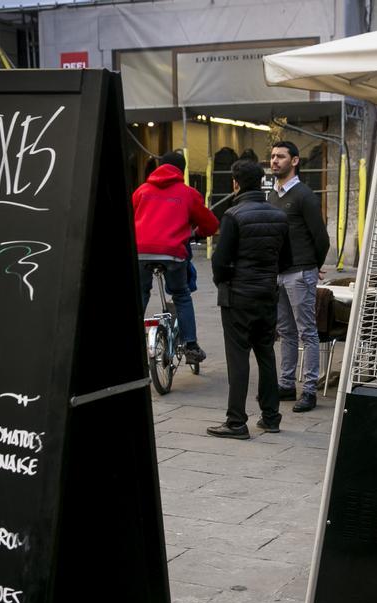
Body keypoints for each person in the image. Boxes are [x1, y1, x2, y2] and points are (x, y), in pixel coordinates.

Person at [206, 159, 292, 440]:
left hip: (238, 297)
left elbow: (220, 262)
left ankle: (236, 421)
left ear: (235, 183)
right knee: (266, 354)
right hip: (267, 295)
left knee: (238, 357)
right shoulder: (279, 216)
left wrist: (225, 280)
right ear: (261, 182)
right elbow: (287, 259)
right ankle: (271, 417)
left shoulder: (233, 215)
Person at [132, 150, 219, 362]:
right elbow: (211, 225)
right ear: (183, 169)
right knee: (181, 295)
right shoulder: (188, 193)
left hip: (141, 252)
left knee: (141, 293)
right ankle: (191, 345)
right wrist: (195, 233)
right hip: (172, 253)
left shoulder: (141, 191)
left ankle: (130, 342)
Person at [268, 140, 330, 413]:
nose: (274, 161)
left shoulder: (304, 195)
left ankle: (309, 390)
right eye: (272, 157)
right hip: (279, 274)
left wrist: (312, 265)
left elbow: (321, 238)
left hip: (300, 272)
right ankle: (286, 385)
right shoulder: (272, 195)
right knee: (286, 331)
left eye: (280, 156)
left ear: (294, 161)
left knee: (307, 332)